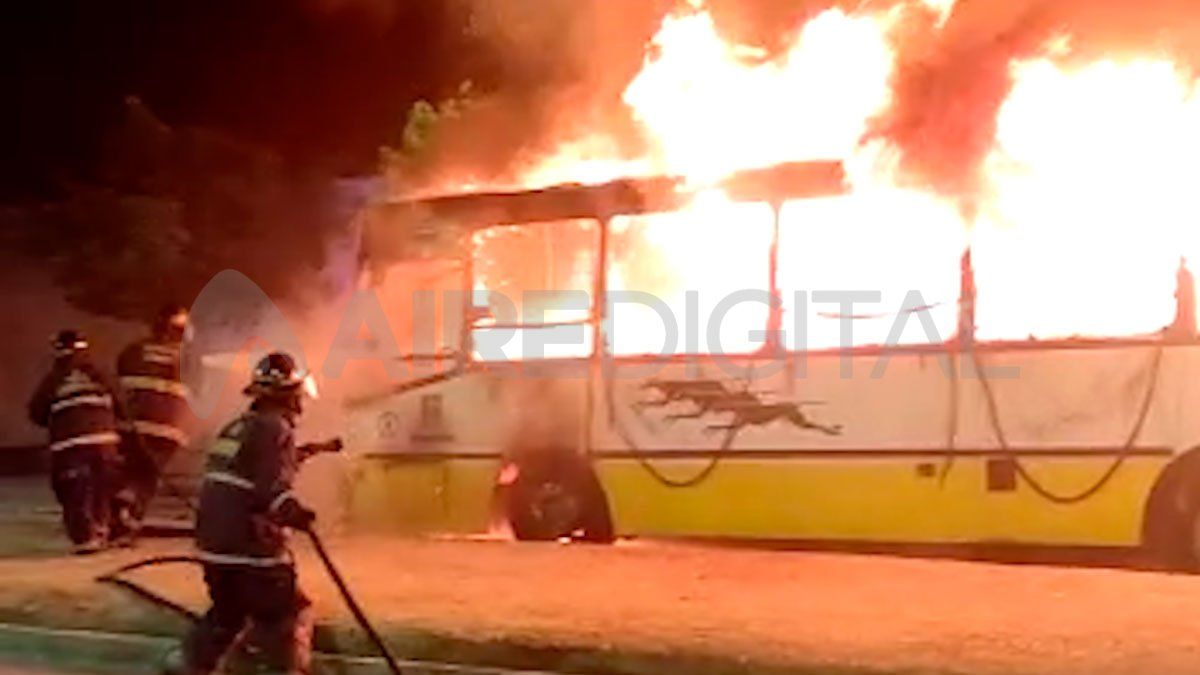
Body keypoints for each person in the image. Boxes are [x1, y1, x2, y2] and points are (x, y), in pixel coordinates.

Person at [164, 352, 321, 675]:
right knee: (290, 613)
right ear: (289, 396)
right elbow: (269, 487)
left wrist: (297, 457)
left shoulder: (237, 427)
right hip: (250, 549)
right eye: (298, 397)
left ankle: (186, 666)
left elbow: (239, 474)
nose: (301, 405)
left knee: (228, 613)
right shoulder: (276, 428)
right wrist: (296, 513)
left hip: (213, 544)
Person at [27, 330, 123, 554]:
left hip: (70, 444)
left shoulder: (55, 378)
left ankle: (84, 536)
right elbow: (121, 402)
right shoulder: (100, 373)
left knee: (72, 489)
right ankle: (101, 528)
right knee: (102, 486)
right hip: (104, 441)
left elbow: (36, 412)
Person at [114, 304, 193, 538]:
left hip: (132, 427)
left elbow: (122, 384)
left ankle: (120, 509)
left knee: (129, 471)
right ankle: (131, 522)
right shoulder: (188, 359)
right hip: (167, 431)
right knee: (148, 478)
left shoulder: (132, 351)